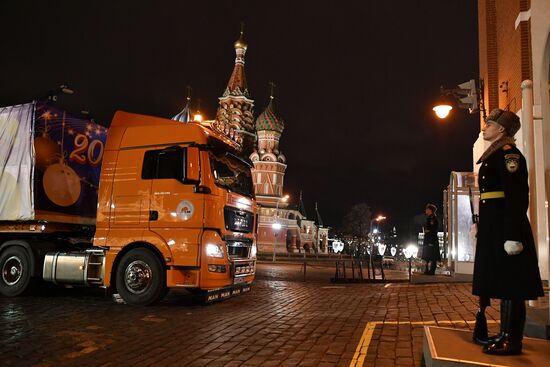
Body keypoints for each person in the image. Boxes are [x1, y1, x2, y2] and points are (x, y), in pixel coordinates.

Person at [472, 108, 544, 355]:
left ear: (501, 129)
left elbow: (516, 197)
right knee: (504, 280)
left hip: (506, 226)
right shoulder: (494, 154)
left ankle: (513, 340)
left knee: (513, 283)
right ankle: (505, 333)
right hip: (496, 225)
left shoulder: (508, 155)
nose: (485, 127)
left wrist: (513, 234)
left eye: (489, 124)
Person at [421, 203, 440, 275]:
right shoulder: (430, 218)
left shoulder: (433, 219)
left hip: (431, 239)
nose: (426, 211)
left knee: (431, 255)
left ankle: (431, 270)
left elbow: (434, 229)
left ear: (430, 210)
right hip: (429, 239)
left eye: (427, 209)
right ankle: (427, 270)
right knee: (429, 255)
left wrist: (428, 230)